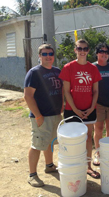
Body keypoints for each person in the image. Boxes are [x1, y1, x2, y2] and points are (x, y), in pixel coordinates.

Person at [59, 39, 102, 179]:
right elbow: (66, 92)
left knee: (88, 138)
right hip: (72, 110)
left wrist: (91, 108)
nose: (82, 51)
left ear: (88, 51)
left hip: (89, 110)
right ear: (75, 50)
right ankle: (74, 166)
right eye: (79, 48)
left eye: (85, 49)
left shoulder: (93, 69)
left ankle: (88, 167)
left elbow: (95, 91)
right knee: (73, 139)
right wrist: (76, 110)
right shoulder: (68, 67)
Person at [24, 44, 63, 187]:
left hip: (55, 114)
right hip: (41, 116)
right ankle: (32, 175)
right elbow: (28, 96)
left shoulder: (57, 71)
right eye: (44, 54)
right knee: (37, 145)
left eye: (50, 53)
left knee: (50, 142)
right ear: (39, 56)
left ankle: (49, 165)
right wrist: (38, 116)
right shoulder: (34, 72)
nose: (48, 56)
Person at [92, 42, 109, 166]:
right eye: (101, 51)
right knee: (98, 129)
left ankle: (108, 152)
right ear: (97, 53)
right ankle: (98, 153)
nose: (104, 54)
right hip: (98, 104)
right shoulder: (92, 67)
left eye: (106, 52)